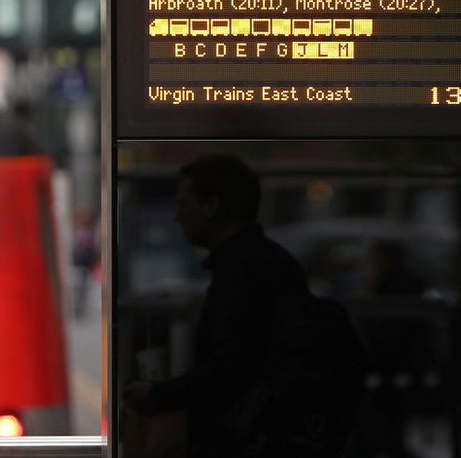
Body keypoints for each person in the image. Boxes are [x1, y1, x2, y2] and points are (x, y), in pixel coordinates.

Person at [122, 154, 365, 458]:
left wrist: (159, 395)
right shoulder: (267, 260)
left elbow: (233, 365)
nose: (177, 217)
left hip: (250, 437)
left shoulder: (241, 270)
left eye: (185, 204)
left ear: (212, 206)